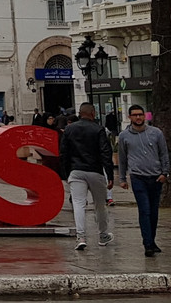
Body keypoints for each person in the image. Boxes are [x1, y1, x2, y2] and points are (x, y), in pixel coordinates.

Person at [59, 102, 114, 250]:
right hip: (95, 171)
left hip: (76, 171)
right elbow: (105, 153)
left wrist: (66, 173)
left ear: (80, 113)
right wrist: (110, 174)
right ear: (93, 113)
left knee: (78, 204)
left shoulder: (69, 129)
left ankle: (81, 236)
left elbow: (63, 152)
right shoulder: (98, 129)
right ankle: (103, 235)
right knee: (100, 205)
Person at [118, 103, 170, 257]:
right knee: (144, 210)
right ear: (129, 117)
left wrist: (165, 173)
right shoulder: (124, 136)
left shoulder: (156, 133)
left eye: (141, 114)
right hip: (137, 177)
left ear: (144, 116)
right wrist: (122, 178)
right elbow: (122, 159)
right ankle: (147, 243)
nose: (138, 117)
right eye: (135, 115)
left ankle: (152, 241)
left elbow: (164, 154)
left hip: (156, 177)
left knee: (154, 212)